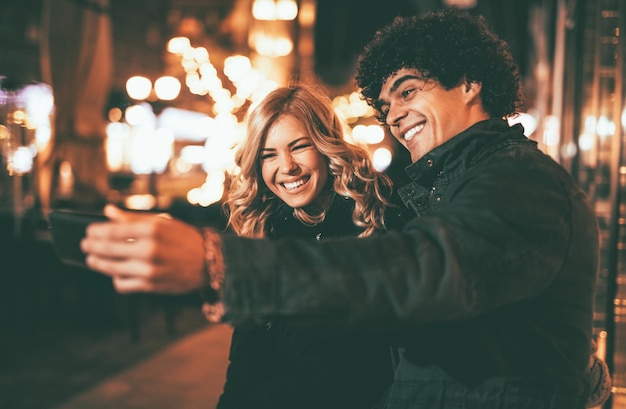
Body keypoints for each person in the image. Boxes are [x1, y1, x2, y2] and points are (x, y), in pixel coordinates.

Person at [81, 7, 602, 408]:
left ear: (470, 81)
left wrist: (220, 265)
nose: (395, 114)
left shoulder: (516, 180)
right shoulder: (444, 189)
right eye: (386, 103)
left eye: (408, 91)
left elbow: (428, 270)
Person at [215, 84, 398, 408]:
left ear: (326, 145)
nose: (286, 167)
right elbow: (246, 360)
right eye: (268, 154)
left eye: (299, 147)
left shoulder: (379, 217)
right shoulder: (262, 231)